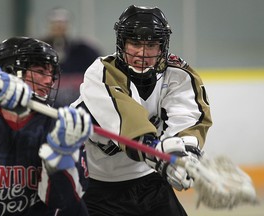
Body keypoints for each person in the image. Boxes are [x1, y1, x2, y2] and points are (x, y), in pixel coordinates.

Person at [72, 5, 212, 216]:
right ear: (122, 43)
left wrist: (185, 152)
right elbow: (129, 121)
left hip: (150, 184)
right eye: (135, 43)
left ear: (162, 46)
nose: (142, 53)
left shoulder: (178, 74)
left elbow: (188, 118)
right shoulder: (101, 72)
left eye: (152, 44)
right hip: (99, 189)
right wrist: (161, 156)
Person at [0, 36, 92, 215]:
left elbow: (62, 201)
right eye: (40, 71)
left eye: (52, 74)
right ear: (10, 71)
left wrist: (61, 158)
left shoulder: (59, 125)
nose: (49, 81)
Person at [41, 7, 101, 74]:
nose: (59, 27)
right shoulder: (39, 51)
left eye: (62, 24)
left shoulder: (84, 51)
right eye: (55, 24)